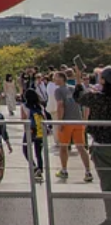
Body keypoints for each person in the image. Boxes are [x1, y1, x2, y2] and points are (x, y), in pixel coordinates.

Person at [74, 68, 111, 224]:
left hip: (101, 145)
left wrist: (78, 81)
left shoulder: (97, 98)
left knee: (107, 184)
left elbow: (79, 97)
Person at [53, 70, 93, 182]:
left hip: (66, 122)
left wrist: (60, 121)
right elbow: (84, 104)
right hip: (78, 121)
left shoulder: (58, 91)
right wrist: (84, 119)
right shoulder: (73, 88)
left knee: (63, 147)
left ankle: (64, 170)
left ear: (61, 78)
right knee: (81, 147)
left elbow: (60, 106)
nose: (54, 79)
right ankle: (88, 171)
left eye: (56, 77)